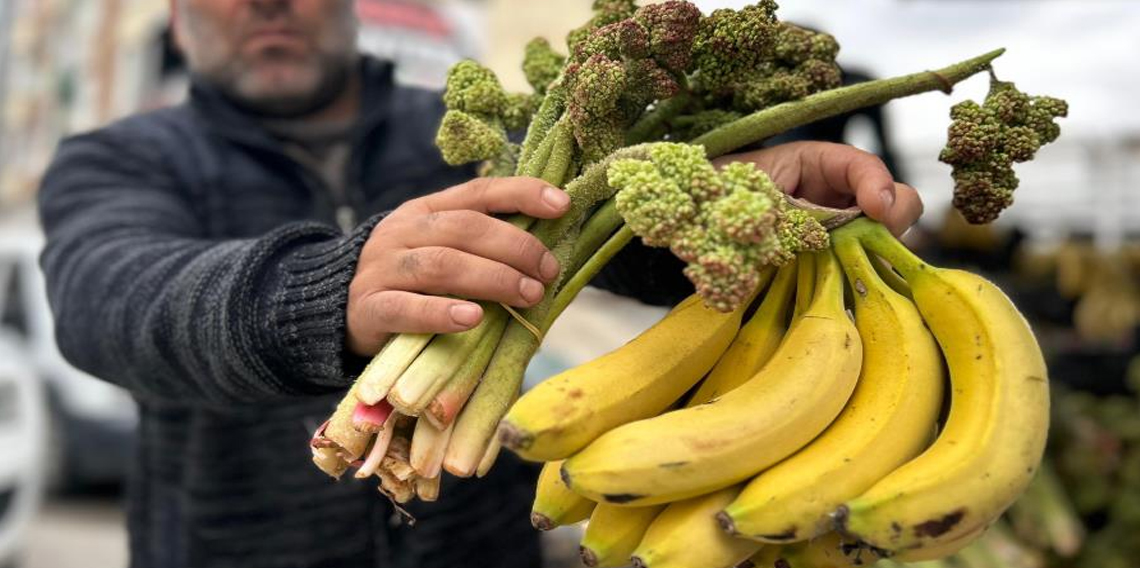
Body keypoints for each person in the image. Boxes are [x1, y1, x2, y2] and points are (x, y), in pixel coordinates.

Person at [36, 1, 924, 567]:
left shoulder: (478, 134)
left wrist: (722, 212)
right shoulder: (119, 157)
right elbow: (105, 296)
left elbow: (595, 238)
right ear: (178, 19)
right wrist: (323, 294)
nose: (268, 3)